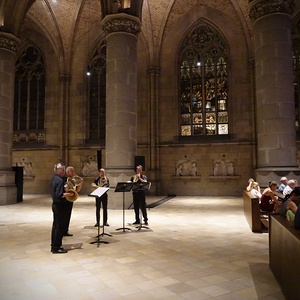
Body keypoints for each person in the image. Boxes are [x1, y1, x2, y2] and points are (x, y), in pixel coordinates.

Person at [50, 163, 73, 254]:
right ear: (59, 170)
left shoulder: (53, 179)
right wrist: (69, 194)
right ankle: (56, 247)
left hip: (55, 205)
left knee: (55, 226)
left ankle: (54, 244)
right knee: (59, 227)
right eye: (63, 170)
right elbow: (59, 195)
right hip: (60, 205)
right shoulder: (59, 181)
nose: (64, 172)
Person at [63, 166, 83, 236]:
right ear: (68, 172)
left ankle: (66, 230)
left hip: (71, 198)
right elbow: (64, 188)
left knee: (68, 215)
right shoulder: (64, 179)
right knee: (63, 216)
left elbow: (77, 190)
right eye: (72, 171)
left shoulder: (73, 179)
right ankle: (62, 230)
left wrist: (80, 183)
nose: (74, 172)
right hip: (64, 199)